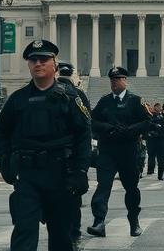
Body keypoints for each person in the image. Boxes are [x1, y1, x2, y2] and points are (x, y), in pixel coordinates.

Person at [0, 39, 91, 251]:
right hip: (27, 174)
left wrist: (81, 171)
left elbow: (83, 134)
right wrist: (5, 161)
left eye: (44, 59)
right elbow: (1, 131)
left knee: (61, 236)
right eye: (33, 60)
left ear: (54, 64)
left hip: (61, 174)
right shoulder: (17, 99)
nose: (38, 63)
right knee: (24, 231)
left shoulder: (70, 97)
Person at [87, 66, 151, 238]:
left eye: (117, 79)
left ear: (125, 81)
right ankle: (99, 221)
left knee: (131, 189)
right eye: (112, 80)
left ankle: (134, 222)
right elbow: (93, 121)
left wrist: (130, 130)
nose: (114, 83)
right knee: (103, 187)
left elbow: (147, 122)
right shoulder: (104, 101)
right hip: (107, 151)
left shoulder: (136, 101)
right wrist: (107, 128)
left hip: (128, 151)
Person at [54, 62, 91, 242]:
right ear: (72, 75)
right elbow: (86, 125)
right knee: (72, 197)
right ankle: (74, 231)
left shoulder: (48, 92)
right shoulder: (79, 94)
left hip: (51, 156)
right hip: (71, 156)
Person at [145, 103, 164, 180]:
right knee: (151, 156)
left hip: (162, 139)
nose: (158, 109)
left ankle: (160, 175)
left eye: (159, 107)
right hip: (152, 140)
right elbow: (147, 126)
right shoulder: (150, 116)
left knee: (161, 159)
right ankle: (150, 170)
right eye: (156, 107)